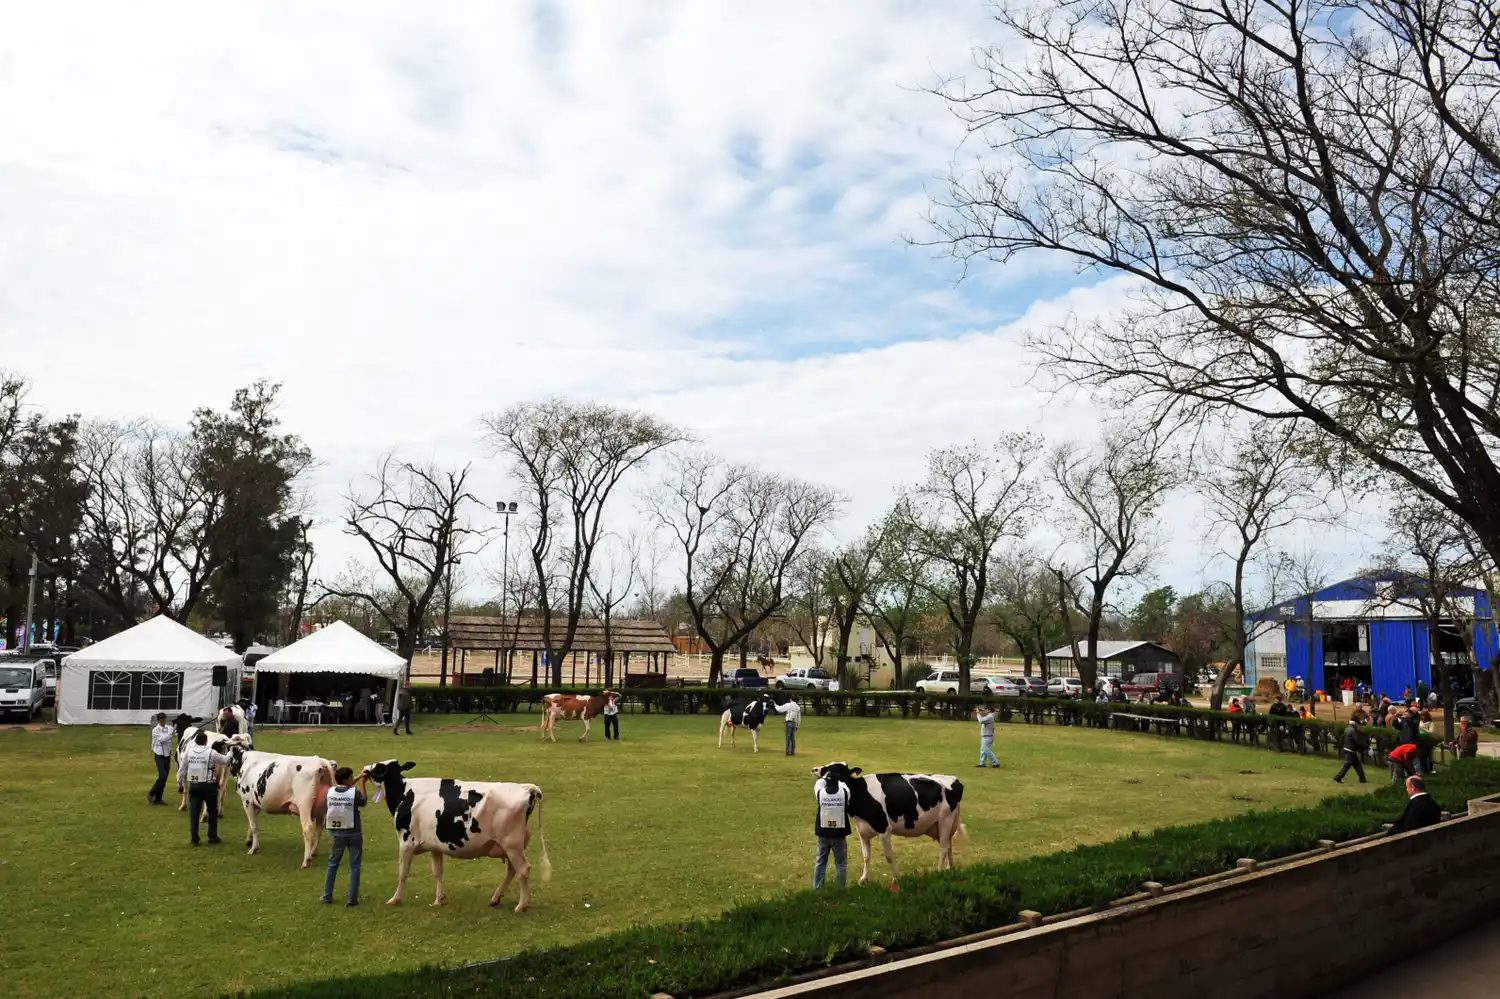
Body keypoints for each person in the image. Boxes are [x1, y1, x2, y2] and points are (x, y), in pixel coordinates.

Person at [322, 766, 369, 906]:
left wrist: (358, 777)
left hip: (338, 834)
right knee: (355, 866)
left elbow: (345, 789)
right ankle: (352, 899)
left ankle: (327, 896)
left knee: (332, 865)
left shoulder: (330, 792)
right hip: (354, 833)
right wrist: (363, 783)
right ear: (347, 779)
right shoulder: (354, 793)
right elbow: (363, 801)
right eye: (351, 777)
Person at [183, 730, 231, 845]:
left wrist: (180, 782)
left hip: (194, 785)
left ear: (196, 741)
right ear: (206, 741)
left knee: (194, 813)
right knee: (212, 811)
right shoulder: (211, 752)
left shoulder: (189, 752)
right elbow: (225, 761)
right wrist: (230, 752)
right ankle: (212, 836)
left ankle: (194, 838)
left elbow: (182, 769)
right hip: (209, 785)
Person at [812, 768, 850, 888]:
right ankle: (840, 888)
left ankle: (818, 887)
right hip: (839, 833)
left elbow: (818, 784)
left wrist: (824, 777)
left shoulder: (820, 793)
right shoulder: (844, 793)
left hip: (823, 833)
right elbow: (844, 786)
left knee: (820, 861)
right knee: (841, 863)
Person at [148, 712, 174, 805]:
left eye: (164, 719)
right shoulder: (155, 730)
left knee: (164, 778)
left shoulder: (169, 728)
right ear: (158, 720)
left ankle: (158, 798)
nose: (163, 721)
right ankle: (151, 792)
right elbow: (162, 739)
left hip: (167, 755)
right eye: (161, 719)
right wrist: (170, 733)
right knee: (162, 776)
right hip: (159, 755)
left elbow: (175, 732)